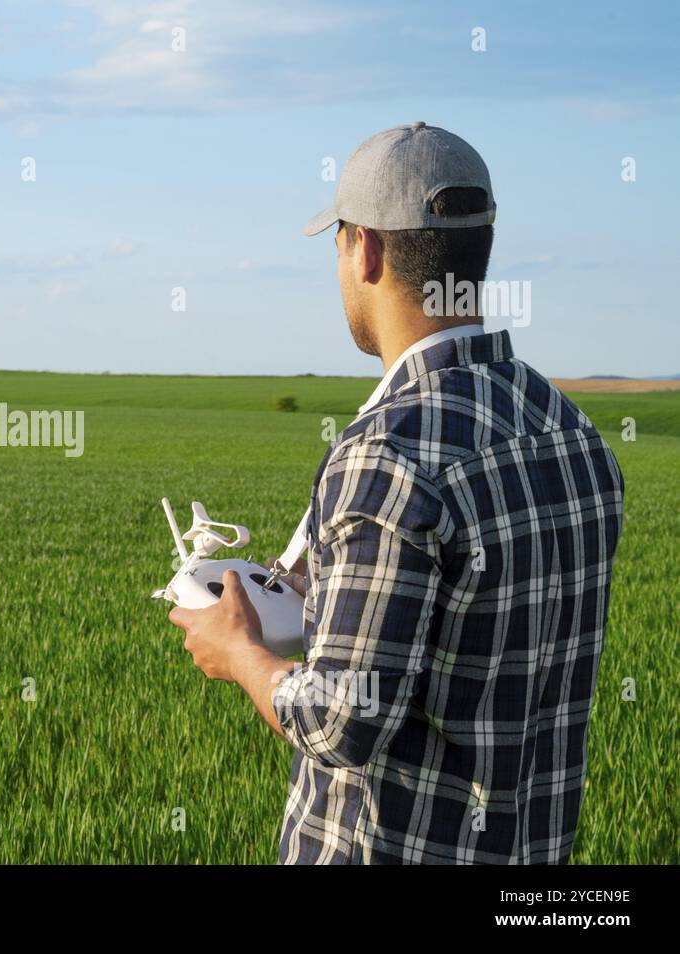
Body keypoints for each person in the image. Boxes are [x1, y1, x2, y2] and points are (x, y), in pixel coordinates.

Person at [167, 123, 625, 864]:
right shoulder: (570, 430)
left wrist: (239, 650)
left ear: (366, 249)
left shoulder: (387, 453)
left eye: (340, 243)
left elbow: (341, 721)